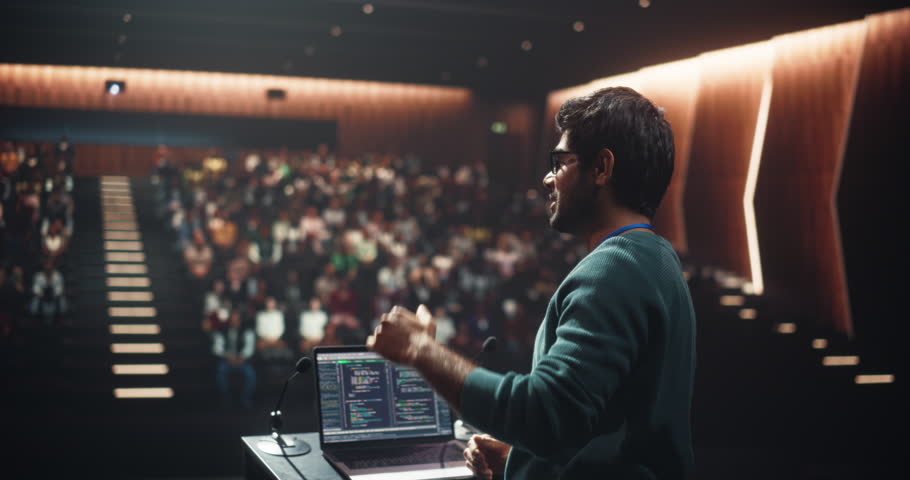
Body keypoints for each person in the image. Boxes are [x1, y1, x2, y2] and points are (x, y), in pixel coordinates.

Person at [366, 87, 695, 479]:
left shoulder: (614, 269)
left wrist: (420, 349)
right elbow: (599, 420)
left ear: (601, 169)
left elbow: (547, 416)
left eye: (560, 161)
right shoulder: (657, 259)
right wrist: (524, 460)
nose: (547, 178)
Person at [212, 310, 257, 409]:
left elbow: (249, 348)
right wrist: (227, 356)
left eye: (236, 319)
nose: (234, 322)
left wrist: (241, 357)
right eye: (232, 319)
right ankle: (226, 399)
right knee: (220, 372)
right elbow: (217, 348)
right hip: (227, 360)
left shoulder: (247, 331)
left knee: (251, 374)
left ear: (240, 320)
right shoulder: (222, 331)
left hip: (242, 361)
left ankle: (246, 399)